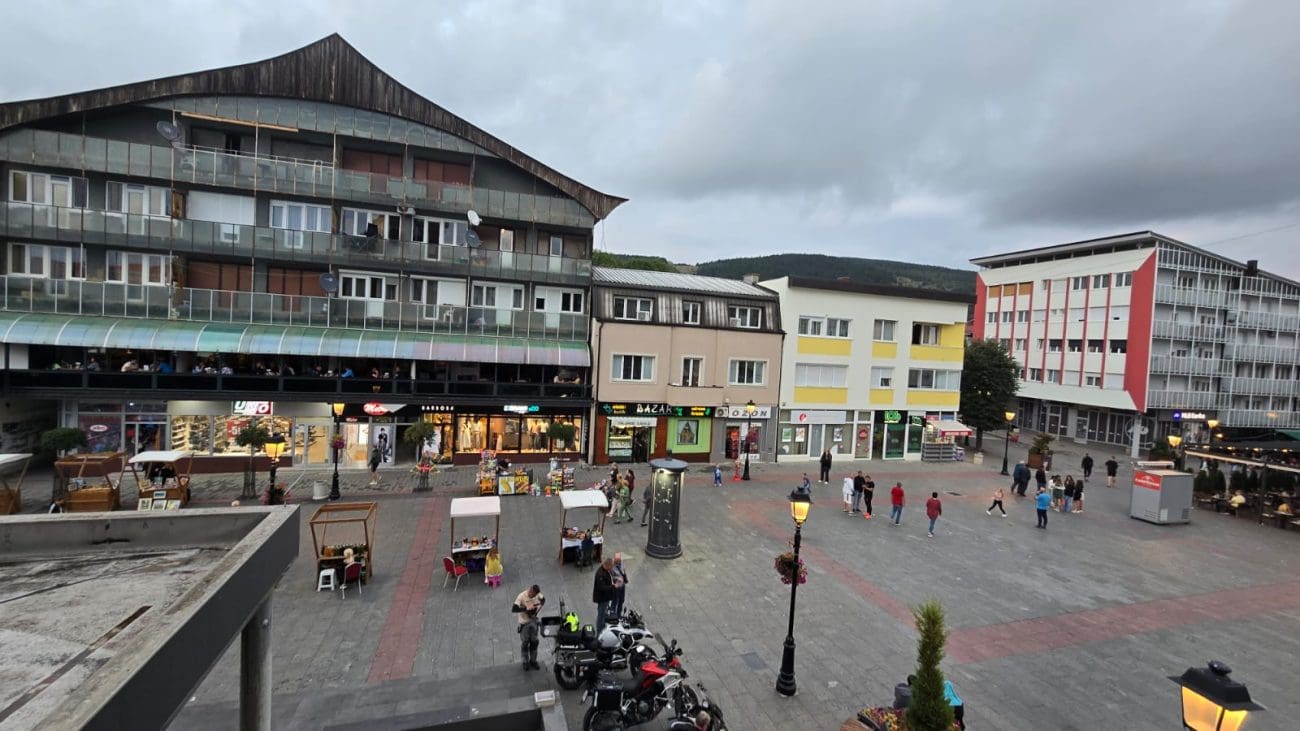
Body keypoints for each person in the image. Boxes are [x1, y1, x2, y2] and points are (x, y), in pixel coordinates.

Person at [512, 584, 545, 671]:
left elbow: (543, 600)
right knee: (525, 643)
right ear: (530, 590)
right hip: (524, 623)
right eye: (532, 595)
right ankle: (525, 662)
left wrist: (538, 608)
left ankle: (533, 661)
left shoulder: (538, 594)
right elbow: (514, 609)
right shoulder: (521, 596)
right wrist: (526, 609)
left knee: (534, 642)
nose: (533, 597)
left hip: (533, 621)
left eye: (534, 595)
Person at [593, 558, 617, 632]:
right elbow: (602, 588)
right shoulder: (600, 574)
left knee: (604, 613)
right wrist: (613, 586)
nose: (612, 568)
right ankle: (599, 631)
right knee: (601, 615)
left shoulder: (606, 570)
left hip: (606, 597)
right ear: (607, 565)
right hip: (602, 598)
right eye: (611, 566)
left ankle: (603, 626)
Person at [611, 552, 629, 617]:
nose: (619, 562)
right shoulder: (612, 566)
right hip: (617, 586)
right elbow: (611, 577)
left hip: (622, 585)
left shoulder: (621, 562)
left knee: (621, 600)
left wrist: (624, 575)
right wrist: (617, 578)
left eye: (619, 560)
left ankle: (619, 615)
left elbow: (623, 570)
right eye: (617, 561)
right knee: (615, 601)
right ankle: (612, 615)